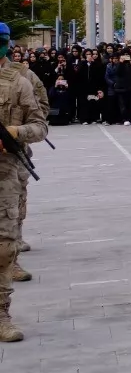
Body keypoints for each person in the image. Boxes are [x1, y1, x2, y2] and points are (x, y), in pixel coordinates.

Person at [0, 23, 46, 343]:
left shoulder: (19, 82)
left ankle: (2, 314)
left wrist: (15, 133)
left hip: (5, 171)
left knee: (4, 245)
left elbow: (40, 125)